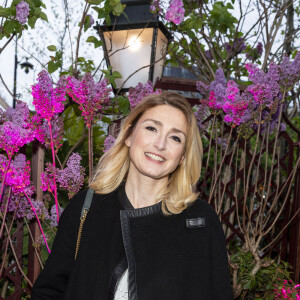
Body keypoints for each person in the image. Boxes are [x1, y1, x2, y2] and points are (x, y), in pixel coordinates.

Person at [31, 91, 233, 300]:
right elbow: (49, 291)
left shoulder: (200, 222)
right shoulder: (86, 207)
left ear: (182, 156)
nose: (160, 144)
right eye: (151, 128)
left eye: (175, 137)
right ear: (129, 135)